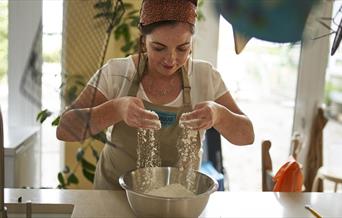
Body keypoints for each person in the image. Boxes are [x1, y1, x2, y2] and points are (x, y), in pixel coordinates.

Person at [56, 0, 254, 190]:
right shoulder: (117, 73)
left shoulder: (205, 77)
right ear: (143, 41)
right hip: (114, 197)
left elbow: (247, 135)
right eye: (159, 48)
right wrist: (117, 108)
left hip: (176, 200)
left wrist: (218, 115)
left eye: (183, 48)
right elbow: (65, 129)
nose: (171, 59)